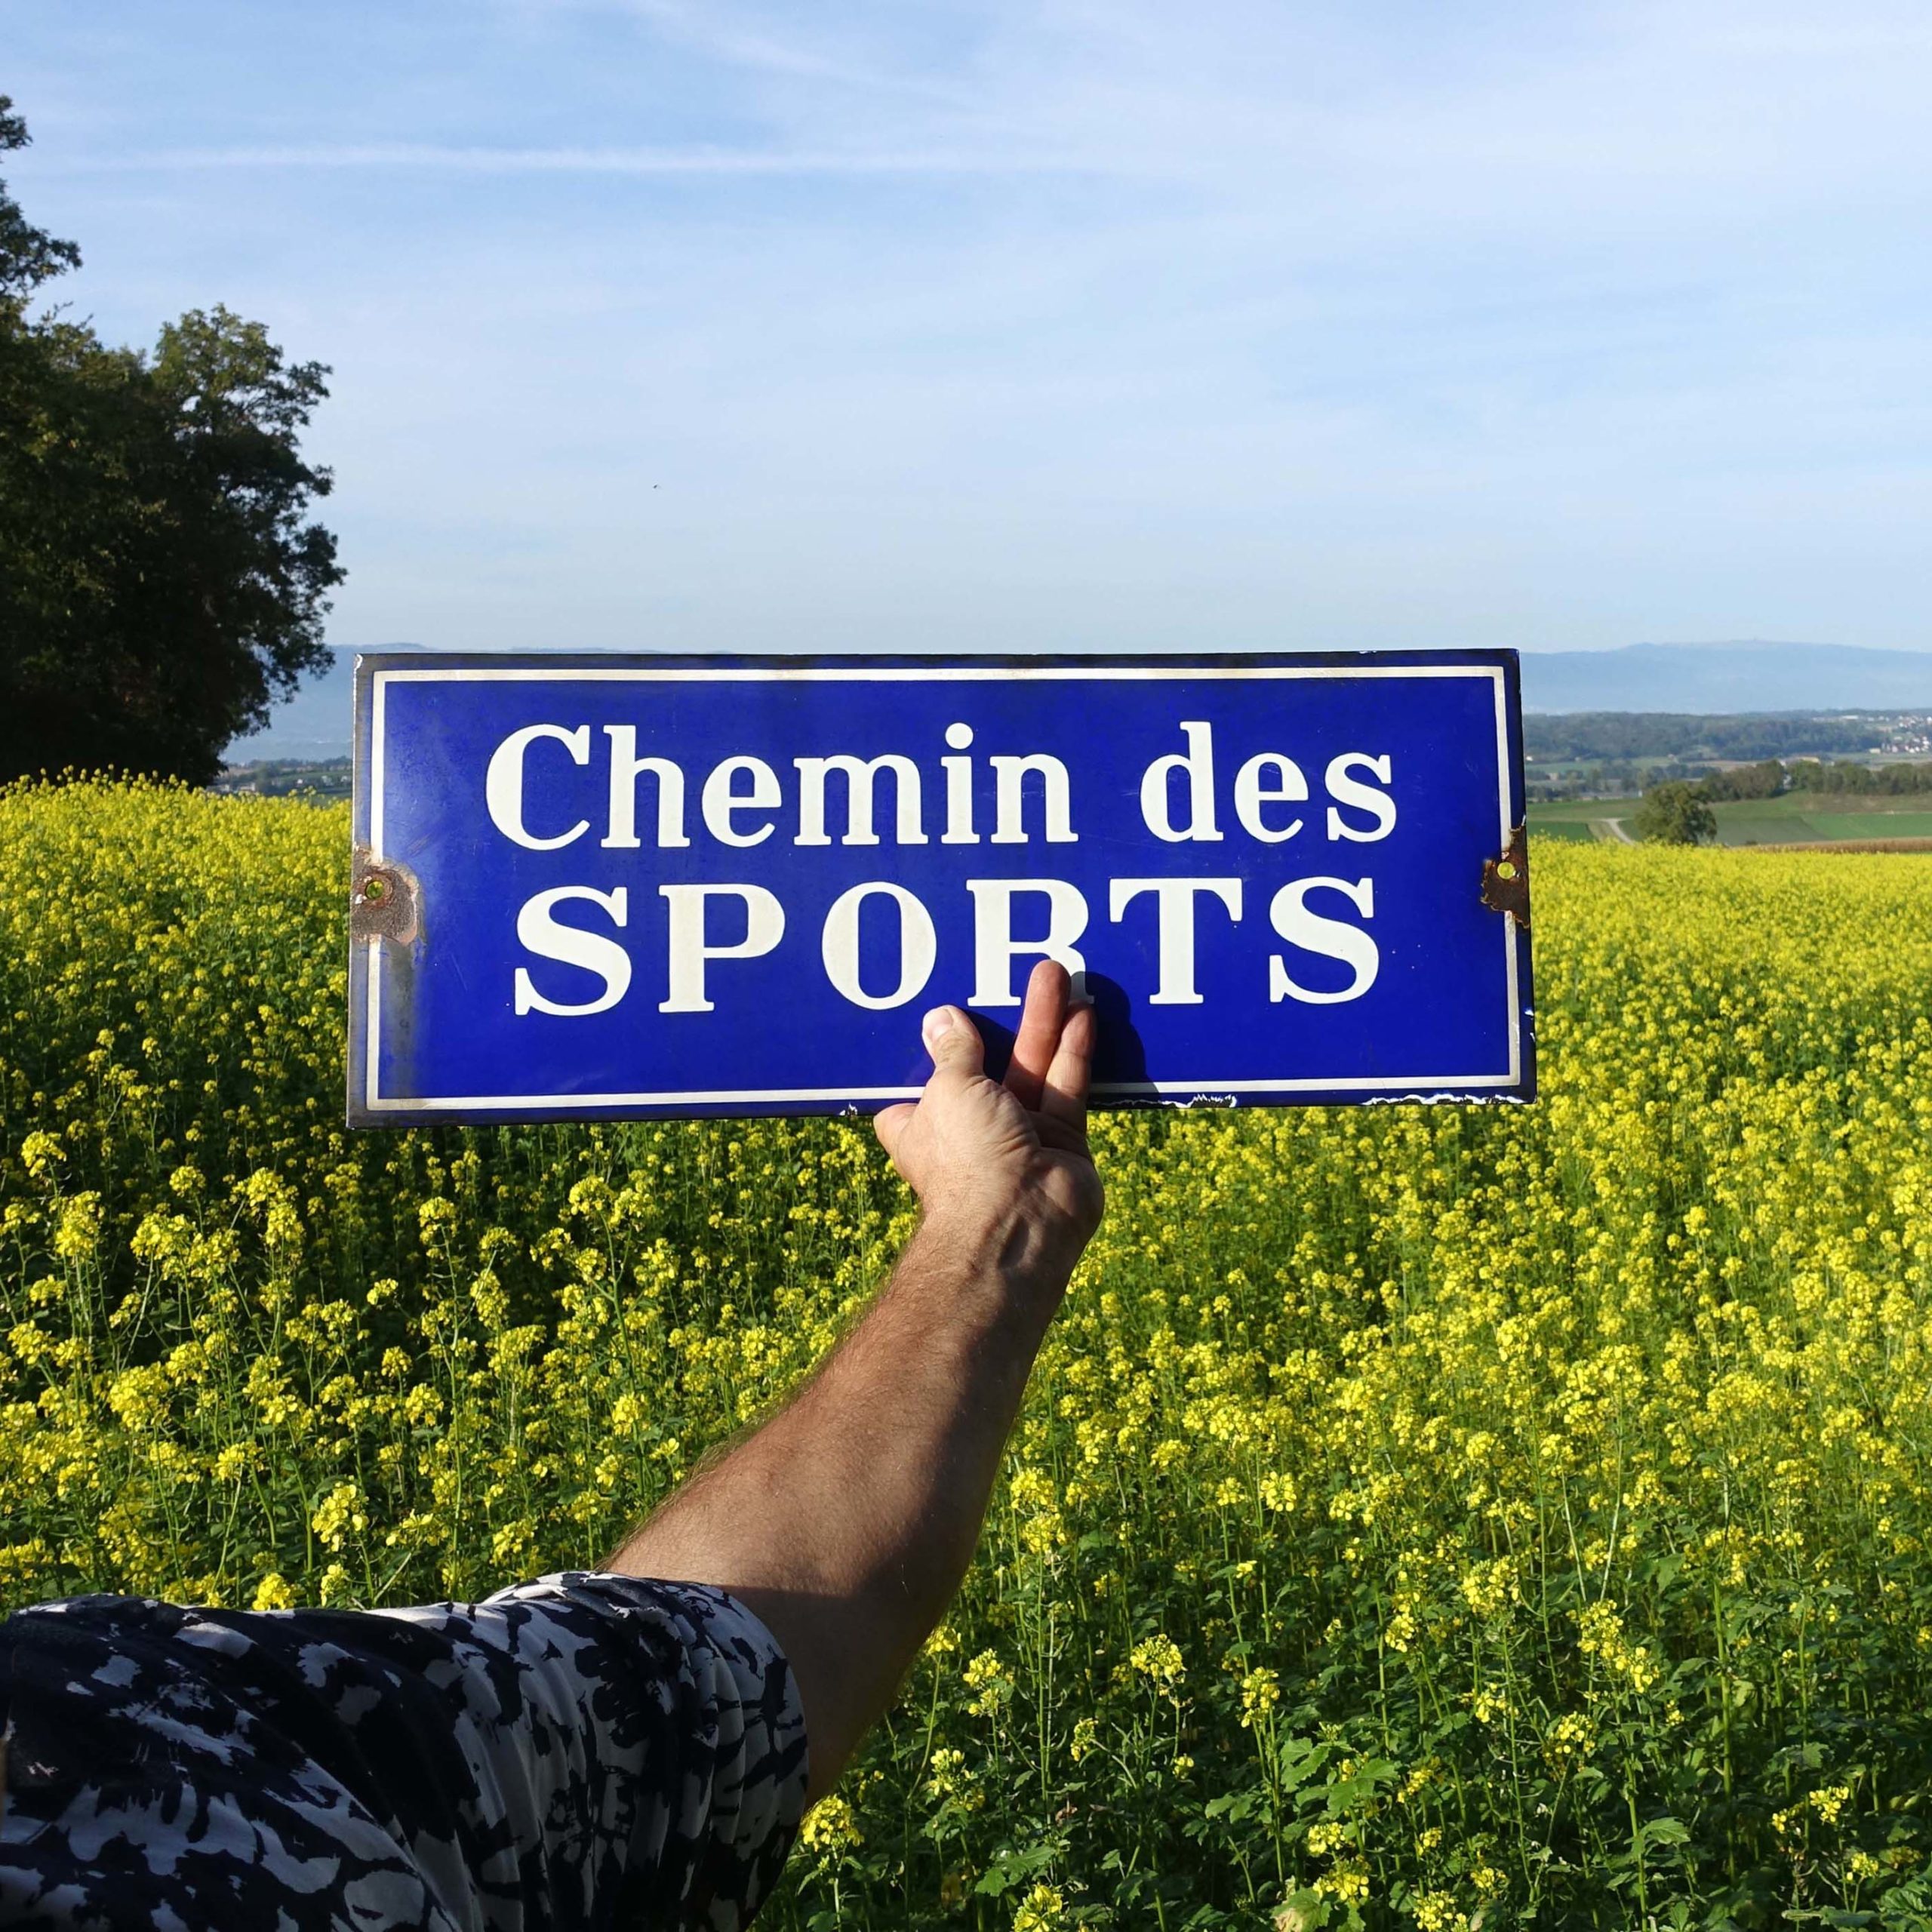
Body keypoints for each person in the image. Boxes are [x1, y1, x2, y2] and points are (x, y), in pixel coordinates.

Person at [0, 961, 1103, 1930]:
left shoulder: (119, 1721)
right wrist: (987, 1233)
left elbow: (675, 1694)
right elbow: (692, 1697)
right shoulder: (129, 1724)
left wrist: (991, 1227)